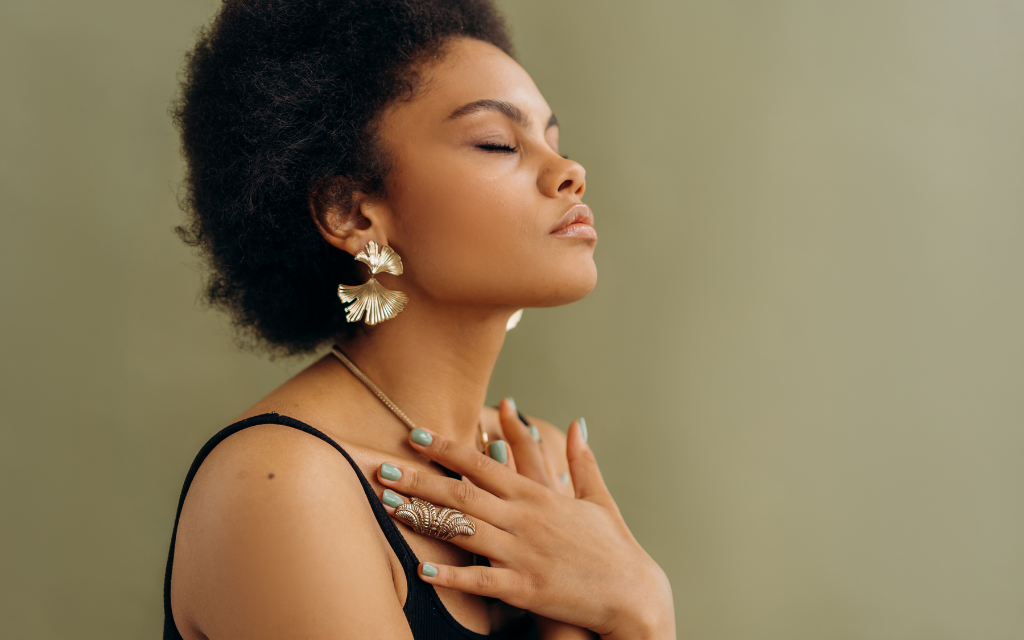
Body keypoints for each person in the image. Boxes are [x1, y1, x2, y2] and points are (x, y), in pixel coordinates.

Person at [164, 1, 675, 638]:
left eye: (553, 140)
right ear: (351, 212)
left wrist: (635, 603)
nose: (570, 172)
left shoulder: (538, 460)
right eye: (498, 143)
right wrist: (638, 608)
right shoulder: (282, 485)